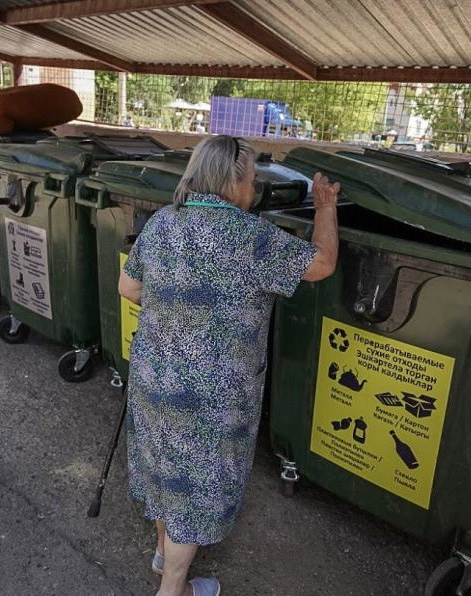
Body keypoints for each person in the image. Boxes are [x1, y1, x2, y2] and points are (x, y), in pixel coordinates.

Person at [117, 135, 339, 596]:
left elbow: (128, 287)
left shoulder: (162, 223)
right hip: (209, 395)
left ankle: (163, 555)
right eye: (252, 179)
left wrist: (181, 309)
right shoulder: (249, 237)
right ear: (231, 181)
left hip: (154, 375)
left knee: (165, 469)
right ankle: (173, 589)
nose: (254, 188)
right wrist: (324, 208)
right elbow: (320, 265)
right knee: (194, 490)